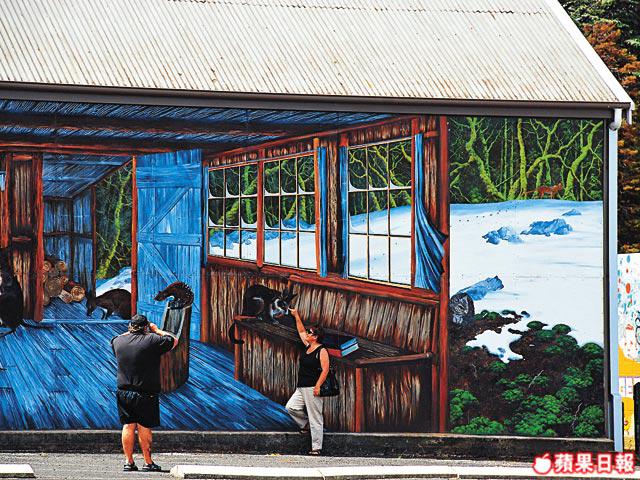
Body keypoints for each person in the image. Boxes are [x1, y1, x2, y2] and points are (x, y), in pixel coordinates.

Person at [111, 314, 177, 472]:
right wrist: (156, 330)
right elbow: (173, 340)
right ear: (146, 327)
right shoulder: (152, 340)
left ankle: (129, 462)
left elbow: (117, 338)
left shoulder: (117, 341)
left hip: (124, 391)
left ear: (130, 327)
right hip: (146, 392)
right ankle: (148, 462)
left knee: (128, 426)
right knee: (144, 427)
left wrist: (130, 332)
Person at [285, 308, 330, 456]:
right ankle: (305, 425)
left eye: (310, 333)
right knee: (291, 407)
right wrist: (296, 315)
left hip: (312, 388)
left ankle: (316, 448)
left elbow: (325, 370)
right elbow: (300, 330)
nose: (307, 334)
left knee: (315, 417)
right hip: (301, 387)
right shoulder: (308, 346)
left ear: (315, 337)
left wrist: (318, 386)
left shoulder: (321, 351)